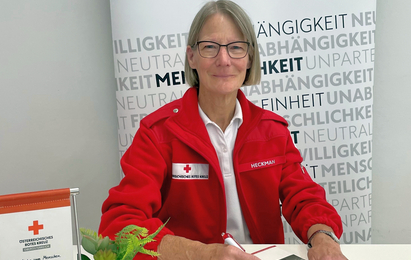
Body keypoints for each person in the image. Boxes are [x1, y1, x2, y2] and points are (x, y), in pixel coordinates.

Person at [99, 1, 347, 259]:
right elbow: (119, 225)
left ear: (250, 58)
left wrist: (323, 238)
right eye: (210, 47)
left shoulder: (272, 131)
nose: (224, 60)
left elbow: (304, 198)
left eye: (236, 47)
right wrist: (201, 254)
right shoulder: (157, 134)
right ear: (191, 57)